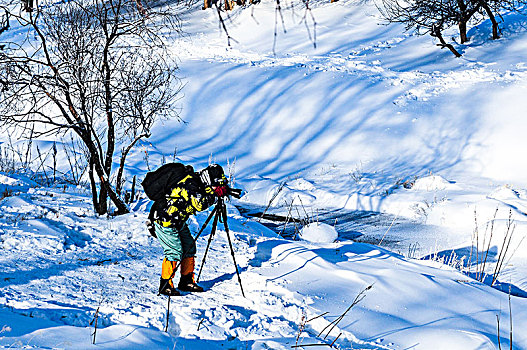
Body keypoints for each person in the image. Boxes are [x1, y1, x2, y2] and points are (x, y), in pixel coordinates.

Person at [148, 164, 229, 296]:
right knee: (174, 251)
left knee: (189, 247)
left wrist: (218, 190)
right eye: (215, 185)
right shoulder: (190, 184)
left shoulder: (198, 182)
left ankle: (186, 281)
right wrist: (214, 195)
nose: (216, 187)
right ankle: (165, 285)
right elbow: (199, 204)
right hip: (164, 221)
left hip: (177, 220)